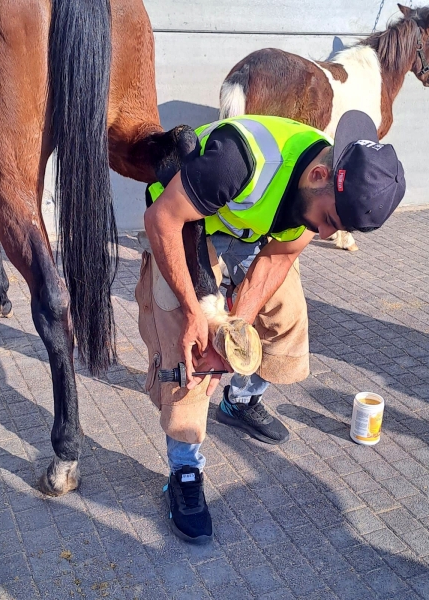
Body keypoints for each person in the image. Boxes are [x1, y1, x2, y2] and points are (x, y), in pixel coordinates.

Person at [137, 110, 405, 544]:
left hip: (247, 231)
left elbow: (280, 255)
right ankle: (185, 471)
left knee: (287, 318)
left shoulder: (322, 185)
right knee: (187, 350)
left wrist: (232, 333)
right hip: (182, 222)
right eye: (329, 221)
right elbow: (161, 220)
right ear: (319, 174)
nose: (323, 235)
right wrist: (196, 313)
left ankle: (239, 401)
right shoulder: (239, 159)